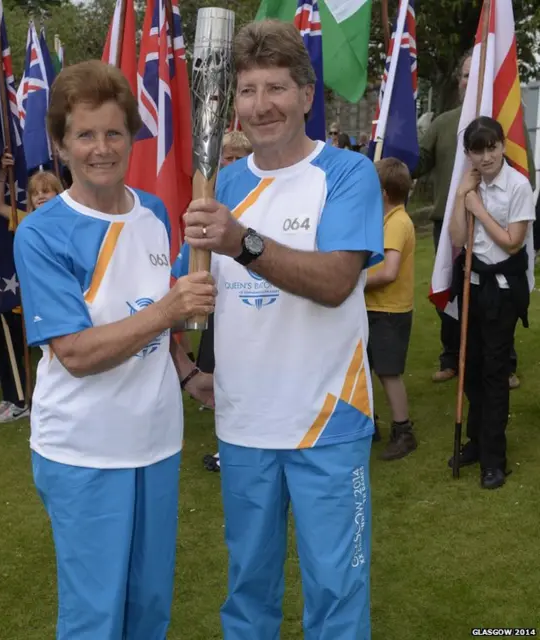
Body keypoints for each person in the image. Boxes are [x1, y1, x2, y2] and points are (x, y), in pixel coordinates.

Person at [181, 20, 383, 639]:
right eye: (246, 90)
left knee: (336, 594)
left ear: (305, 94)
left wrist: (241, 241)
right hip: (243, 426)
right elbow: (190, 297)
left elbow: (334, 283)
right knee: (248, 592)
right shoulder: (222, 186)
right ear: (232, 102)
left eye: (275, 88)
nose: (260, 105)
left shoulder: (346, 175)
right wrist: (189, 367)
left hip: (329, 421)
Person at [13, 60, 216, 639]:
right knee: (95, 618)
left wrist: (185, 373)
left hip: (155, 442)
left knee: (148, 608)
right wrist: (169, 310)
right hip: (84, 450)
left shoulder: (152, 213)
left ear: (131, 137)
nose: (100, 148)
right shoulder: (43, 232)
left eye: (113, 133)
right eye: (84, 134)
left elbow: (153, 317)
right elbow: (75, 353)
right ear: (60, 143)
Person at [414, 50, 535, 387]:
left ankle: (503, 362)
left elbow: (525, 170)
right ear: (459, 81)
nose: (470, 81)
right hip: (449, 221)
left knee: (498, 294)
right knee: (452, 289)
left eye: (477, 75)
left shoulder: (505, 121)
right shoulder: (444, 122)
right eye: (466, 75)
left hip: (499, 220)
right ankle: (452, 356)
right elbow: (419, 161)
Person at [448, 116, 535, 490]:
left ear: (502, 145)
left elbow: (513, 241)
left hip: (501, 289)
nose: (485, 158)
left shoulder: (518, 185)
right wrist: (460, 197)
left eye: (492, 147)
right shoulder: (469, 184)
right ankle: (476, 440)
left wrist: (479, 208)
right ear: (467, 153)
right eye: (477, 150)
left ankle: (494, 458)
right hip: (470, 284)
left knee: (494, 373)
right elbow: (456, 237)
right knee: (470, 366)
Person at [0, 154, 64, 423]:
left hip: (63, 297)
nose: (41, 197)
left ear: (60, 193)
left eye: (47, 191)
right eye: (35, 193)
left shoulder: (70, 222)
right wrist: (1, 174)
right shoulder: (23, 220)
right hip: (34, 299)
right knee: (47, 354)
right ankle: (41, 403)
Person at [201, 130, 253, 473]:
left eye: (237, 158)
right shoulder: (214, 199)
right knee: (222, 376)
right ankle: (227, 447)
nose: (230, 165)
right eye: (226, 159)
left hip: (256, 307)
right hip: (221, 306)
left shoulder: (260, 200)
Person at [365, 158, 417, 460]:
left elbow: (389, 272)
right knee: (367, 367)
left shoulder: (397, 223)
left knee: (388, 372)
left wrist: (354, 283)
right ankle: (368, 422)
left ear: (383, 192)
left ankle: (403, 430)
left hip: (388, 311)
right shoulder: (387, 220)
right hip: (376, 308)